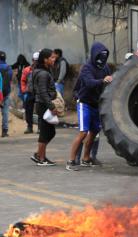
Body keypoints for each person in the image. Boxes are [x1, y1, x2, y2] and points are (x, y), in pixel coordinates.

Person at [66, 42, 112, 171]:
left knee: (94, 132)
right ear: (94, 54)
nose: (102, 57)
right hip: (84, 103)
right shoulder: (87, 68)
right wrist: (103, 80)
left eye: (104, 55)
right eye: (99, 55)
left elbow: (110, 80)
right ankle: (71, 161)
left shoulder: (105, 68)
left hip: (96, 104)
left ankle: (86, 158)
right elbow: (89, 83)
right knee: (83, 132)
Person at [29, 49, 59, 166]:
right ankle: (41, 158)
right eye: (51, 57)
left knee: (49, 132)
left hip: (42, 104)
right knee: (46, 132)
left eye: (54, 57)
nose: (54, 59)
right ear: (45, 60)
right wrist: (51, 106)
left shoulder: (42, 71)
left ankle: (39, 155)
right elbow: (42, 91)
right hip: (43, 105)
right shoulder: (42, 73)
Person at [21, 52, 39, 134]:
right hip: (30, 92)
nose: (36, 62)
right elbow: (23, 81)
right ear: (32, 60)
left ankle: (40, 127)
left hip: (40, 93)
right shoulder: (27, 70)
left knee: (40, 110)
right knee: (28, 110)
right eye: (35, 60)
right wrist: (24, 89)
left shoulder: (43, 70)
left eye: (38, 60)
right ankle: (29, 127)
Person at [0, 51, 12, 137]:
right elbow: (10, 79)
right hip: (6, 92)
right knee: (5, 112)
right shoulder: (8, 68)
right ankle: (4, 131)